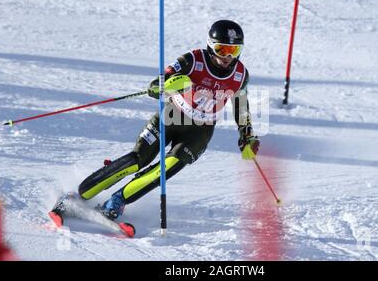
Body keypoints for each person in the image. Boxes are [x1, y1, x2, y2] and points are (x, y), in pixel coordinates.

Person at [53, 19, 260, 220]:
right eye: (222, 49)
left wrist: (247, 135)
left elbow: (241, 106)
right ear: (210, 45)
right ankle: (79, 196)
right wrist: (166, 85)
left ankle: (117, 201)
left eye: (233, 51)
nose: (227, 57)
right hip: (172, 116)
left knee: (167, 167)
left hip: (200, 130)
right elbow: (156, 85)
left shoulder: (241, 75)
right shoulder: (192, 60)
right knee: (137, 160)